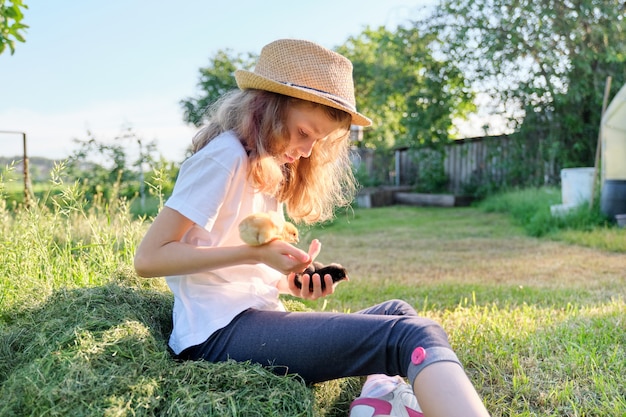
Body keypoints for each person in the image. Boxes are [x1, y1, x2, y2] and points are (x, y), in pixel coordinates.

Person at [134, 39, 490, 417]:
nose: (306, 151)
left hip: (250, 319)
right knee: (415, 334)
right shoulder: (224, 157)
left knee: (396, 312)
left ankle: (378, 400)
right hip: (216, 336)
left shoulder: (265, 165)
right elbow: (149, 258)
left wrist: (290, 282)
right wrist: (255, 254)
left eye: (316, 140)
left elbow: (241, 274)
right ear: (267, 108)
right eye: (304, 132)